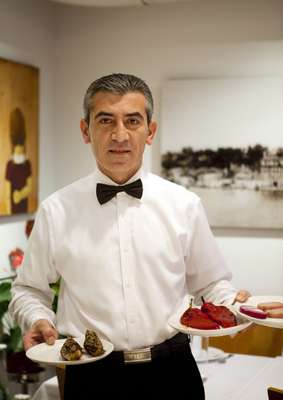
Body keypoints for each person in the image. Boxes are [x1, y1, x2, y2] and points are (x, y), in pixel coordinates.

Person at [9, 73, 249, 399]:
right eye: (105, 120)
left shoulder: (185, 205)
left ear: (150, 131)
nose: (119, 134)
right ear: (85, 130)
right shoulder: (56, 210)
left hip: (173, 374)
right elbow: (28, 289)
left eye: (132, 121)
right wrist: (37, 317)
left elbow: (212, 284)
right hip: (91, 376)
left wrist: (231, 306)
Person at [4, 107, 32, 215]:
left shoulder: (26, 164)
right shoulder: (10, 165)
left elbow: (29, 188)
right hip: (14, 212)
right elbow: (7, 193)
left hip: (22, 210)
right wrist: (8, 212)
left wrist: (20, 194)